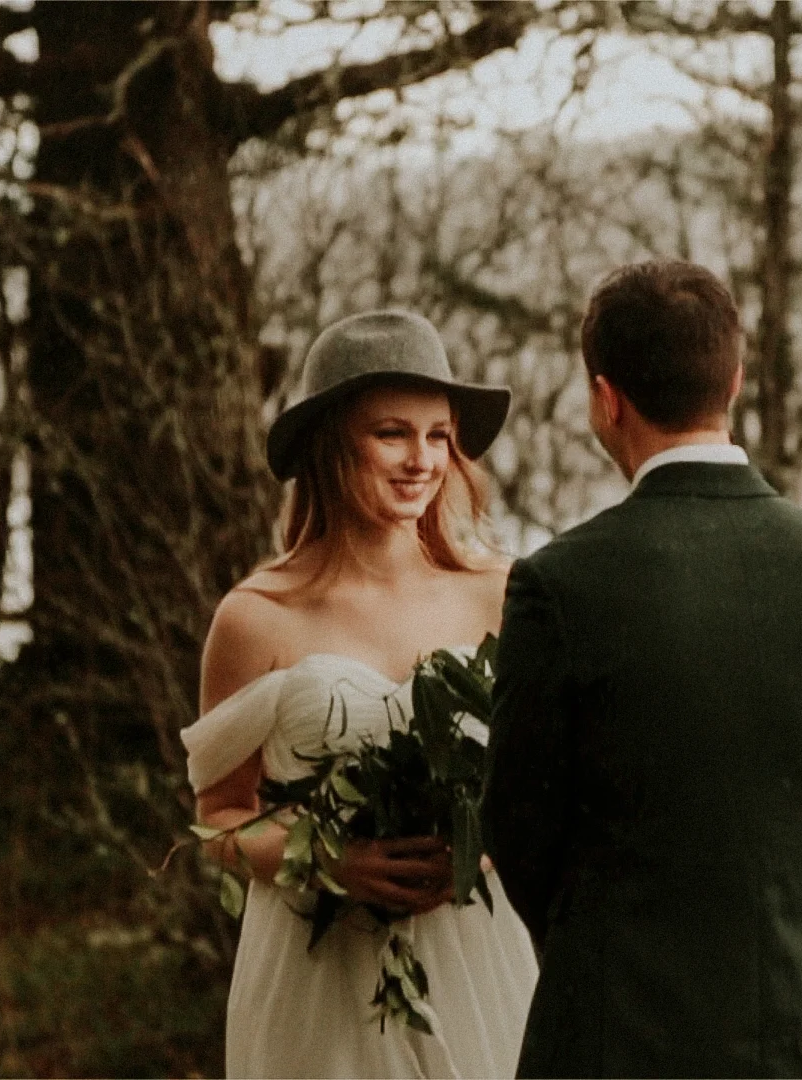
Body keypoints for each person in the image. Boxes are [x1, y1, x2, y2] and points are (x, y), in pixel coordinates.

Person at [482, 260, 802, 1078]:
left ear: (607, 398)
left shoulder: (559, 586)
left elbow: (518, 826)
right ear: (736, 381)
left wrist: (602, 942)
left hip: (620, 1034)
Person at [180, 310, 538, 1079]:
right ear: (331, 442)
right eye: (392, 433)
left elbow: (541, 778)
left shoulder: (501, 594)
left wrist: (480, 856)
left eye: (439, 435)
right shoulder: (254, 616)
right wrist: (330, 862)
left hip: (477, 959)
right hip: (317, 980)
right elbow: (217, 822)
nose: (422, 460)